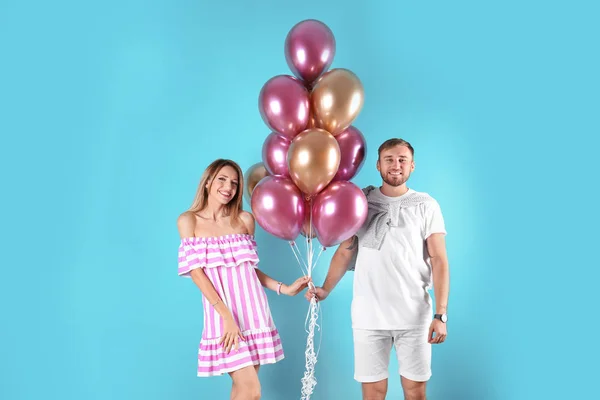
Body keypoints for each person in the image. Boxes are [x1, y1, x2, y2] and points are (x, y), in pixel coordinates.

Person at [305, 138, 450, 400]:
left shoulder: (426, 205)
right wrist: (325, 288)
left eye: (402, 160)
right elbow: (345, 250)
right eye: (389, 159)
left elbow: (439, 259)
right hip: (368, 316)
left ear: (412, 166)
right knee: (373, 392)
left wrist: (441, 316)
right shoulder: (360, 201)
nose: (396, 165)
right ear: (378, 165)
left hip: (414, 316)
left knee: (415, 392)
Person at [177, 159, 310, 400]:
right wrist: (227, 318)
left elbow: (247, 271)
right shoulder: (189, 221)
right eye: (222, 179)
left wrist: (285, 288)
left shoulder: (245, 220)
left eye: (235, 183)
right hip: (223, 317)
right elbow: (197, 274)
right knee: (251, 392)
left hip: (254, 312)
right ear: (208, 182)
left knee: (242, 391)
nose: (228, 187)